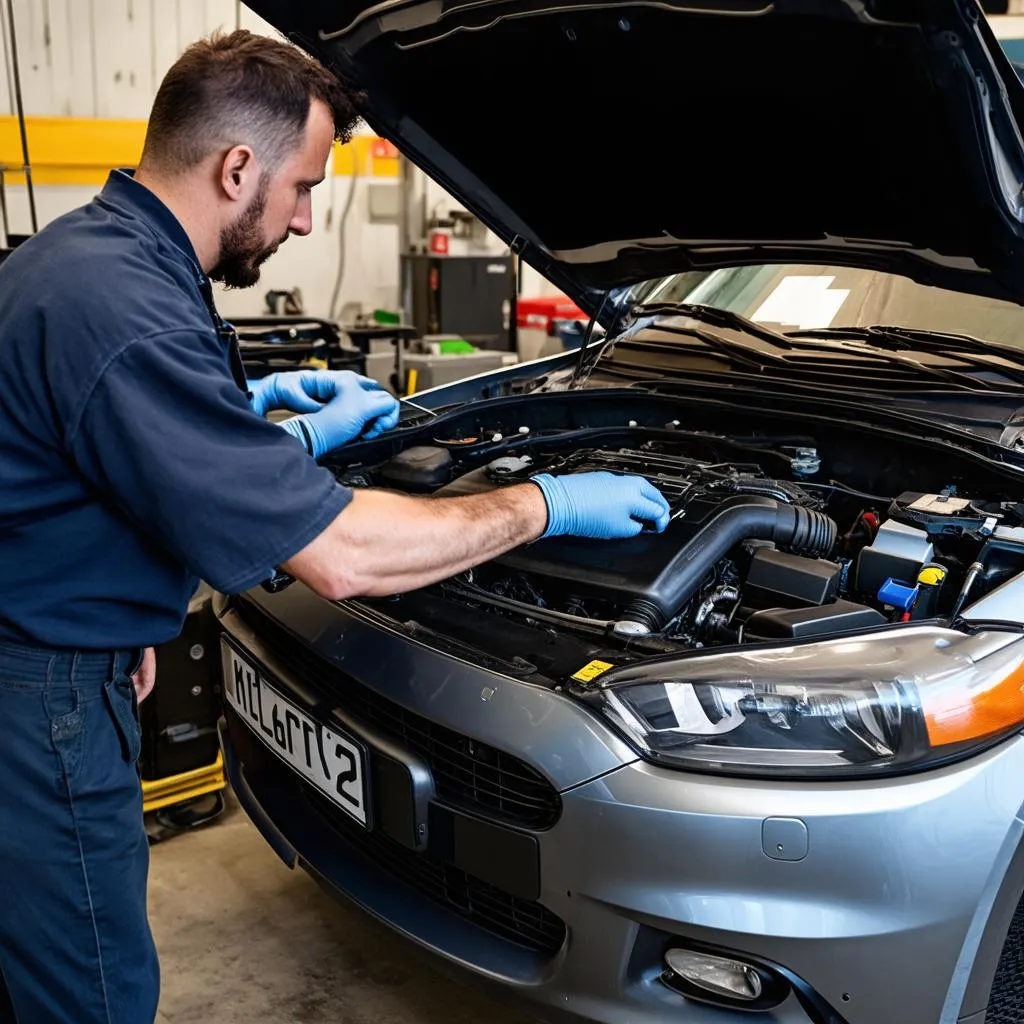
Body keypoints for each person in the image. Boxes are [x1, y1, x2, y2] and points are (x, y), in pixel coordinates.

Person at [0, 28, 670, 1024]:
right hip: (38, 694)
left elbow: (103, 439)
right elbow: (345, 556)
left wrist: (261, 403)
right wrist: (545, 503)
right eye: (303, 187)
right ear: (237, 167)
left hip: (50, 641)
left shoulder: (90, 254)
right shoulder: (126, 304)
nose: (307, 221)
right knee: (89, 990)